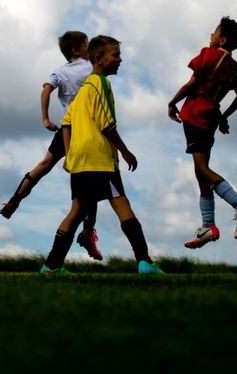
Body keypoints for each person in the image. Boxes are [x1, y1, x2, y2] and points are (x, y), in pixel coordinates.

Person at [39, 35, 162, 275]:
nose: (120, 59)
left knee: (76, 212)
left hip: (81, 161)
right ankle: (144, 262)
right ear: (98, 59)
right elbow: (106, 124)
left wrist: (70, 154)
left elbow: (67, 123)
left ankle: (51, 266)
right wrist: (125, 151)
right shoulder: (100, 84)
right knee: (122, 205)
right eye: (115, 55)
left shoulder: (83, 90)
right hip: (100, 160)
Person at [0, 30, 102, 260]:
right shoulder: (91, 66)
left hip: (66, 126)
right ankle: (87, 232)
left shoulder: (60, 71)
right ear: (77, 49)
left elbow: (45, 89)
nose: (89, 49)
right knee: (89, 181)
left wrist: (45, 118)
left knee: (44, 164)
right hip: (87, 129)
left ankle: (14, 201)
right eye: (86, 45)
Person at [166, 16, 237, 248]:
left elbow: (192, 84)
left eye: (215, 32)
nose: (211, 35)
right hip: (209, 120)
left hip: (195, 115)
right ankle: (208, 225)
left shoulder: (208, 55)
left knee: (202, 169)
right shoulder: (233, 65)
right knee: (200, 173)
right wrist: (223, 117)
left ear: (223, 39)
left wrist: (172, 102)